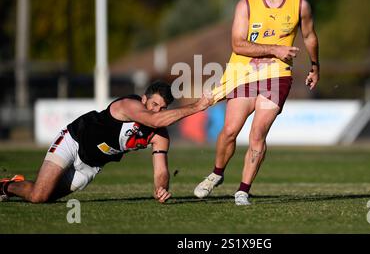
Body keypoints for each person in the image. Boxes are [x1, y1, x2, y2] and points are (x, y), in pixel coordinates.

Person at [194, 0, 319, 205]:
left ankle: (243, 190)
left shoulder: (300, 5)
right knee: (229, 131)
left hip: (277, 75)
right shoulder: (247, 4)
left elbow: (309, 36)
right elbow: (238, 45)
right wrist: (275, 48)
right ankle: (217, 174)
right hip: (243, 72)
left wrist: (315, 66)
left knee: (257, 134)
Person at [0, 80, 212, 204]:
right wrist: (197, 107)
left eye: (162, 108)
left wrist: (161, 188)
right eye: (154, 103)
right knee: (39, 195)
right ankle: (6, 187)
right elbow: (153, 119)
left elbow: (160, 171)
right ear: (144, 99)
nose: (157, 110)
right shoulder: (128, 106)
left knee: (44, 198)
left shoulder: (159, 136)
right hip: (73, 141)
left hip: (91, 166)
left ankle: (14, 183)